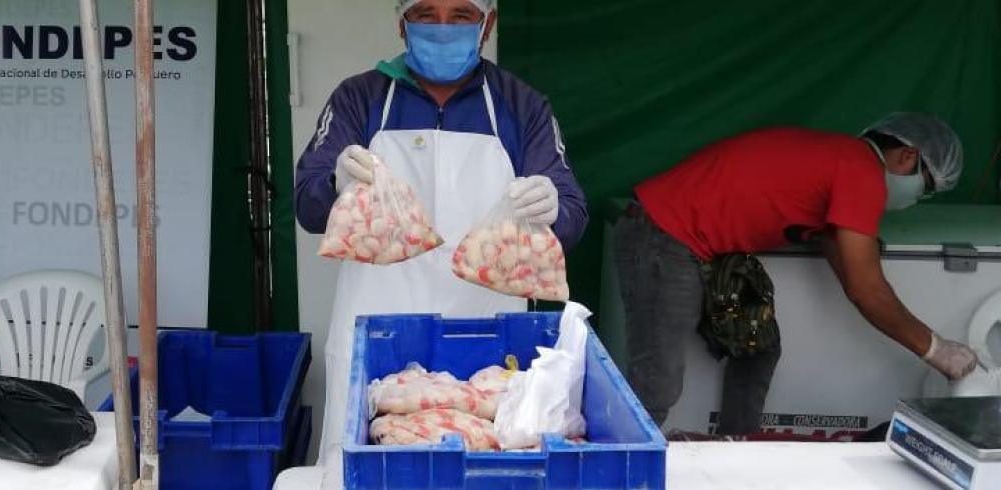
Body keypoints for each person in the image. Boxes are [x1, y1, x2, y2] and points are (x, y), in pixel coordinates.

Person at [293, 0, 588, 485]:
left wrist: (553, 206)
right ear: (401, 24)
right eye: (426, 14)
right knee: (368, 468)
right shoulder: (360, 98)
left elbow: (573, 216)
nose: (443, 28)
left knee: (482, 471)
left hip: (488, 340)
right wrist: (337, 183)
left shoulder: (521, 105)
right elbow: (307, 206)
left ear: (487, 24)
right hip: (375, 334)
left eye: (461, 15)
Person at [616, 113, 979, 435]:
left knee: (757, 347)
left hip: (688, 241)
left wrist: (861, 255)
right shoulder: (861, 170)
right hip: (665, 236)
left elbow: (839, 253)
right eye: (926, 187)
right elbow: (867, 290)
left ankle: (731, 453)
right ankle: (615, 470)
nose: (917, 198)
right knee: (656, 385)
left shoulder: (839, 158)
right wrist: (935, 349)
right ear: (909, 157)